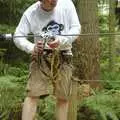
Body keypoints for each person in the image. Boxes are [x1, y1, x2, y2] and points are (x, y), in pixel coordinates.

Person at [14, 0, 81, 120]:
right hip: (41, 56)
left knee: (63, 97)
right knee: (32, 94)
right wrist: (32, 47)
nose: (54, 1)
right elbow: (18, 36)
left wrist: (61, 40)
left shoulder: (67, 4)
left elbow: (76, 28)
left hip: (64, 54)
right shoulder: (31, 13)